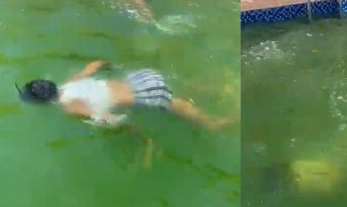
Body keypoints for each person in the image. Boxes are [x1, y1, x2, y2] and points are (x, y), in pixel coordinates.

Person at [16, 60, 233, 131]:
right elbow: (95, 65)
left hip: (145, 94)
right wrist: (109, 65)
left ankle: (222, 122)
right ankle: (217, 90)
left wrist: (127, 128)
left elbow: (100, 116)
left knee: (189, 112)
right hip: (141, 78)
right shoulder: (72, 80)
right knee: (179, 93)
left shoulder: (68, 107)